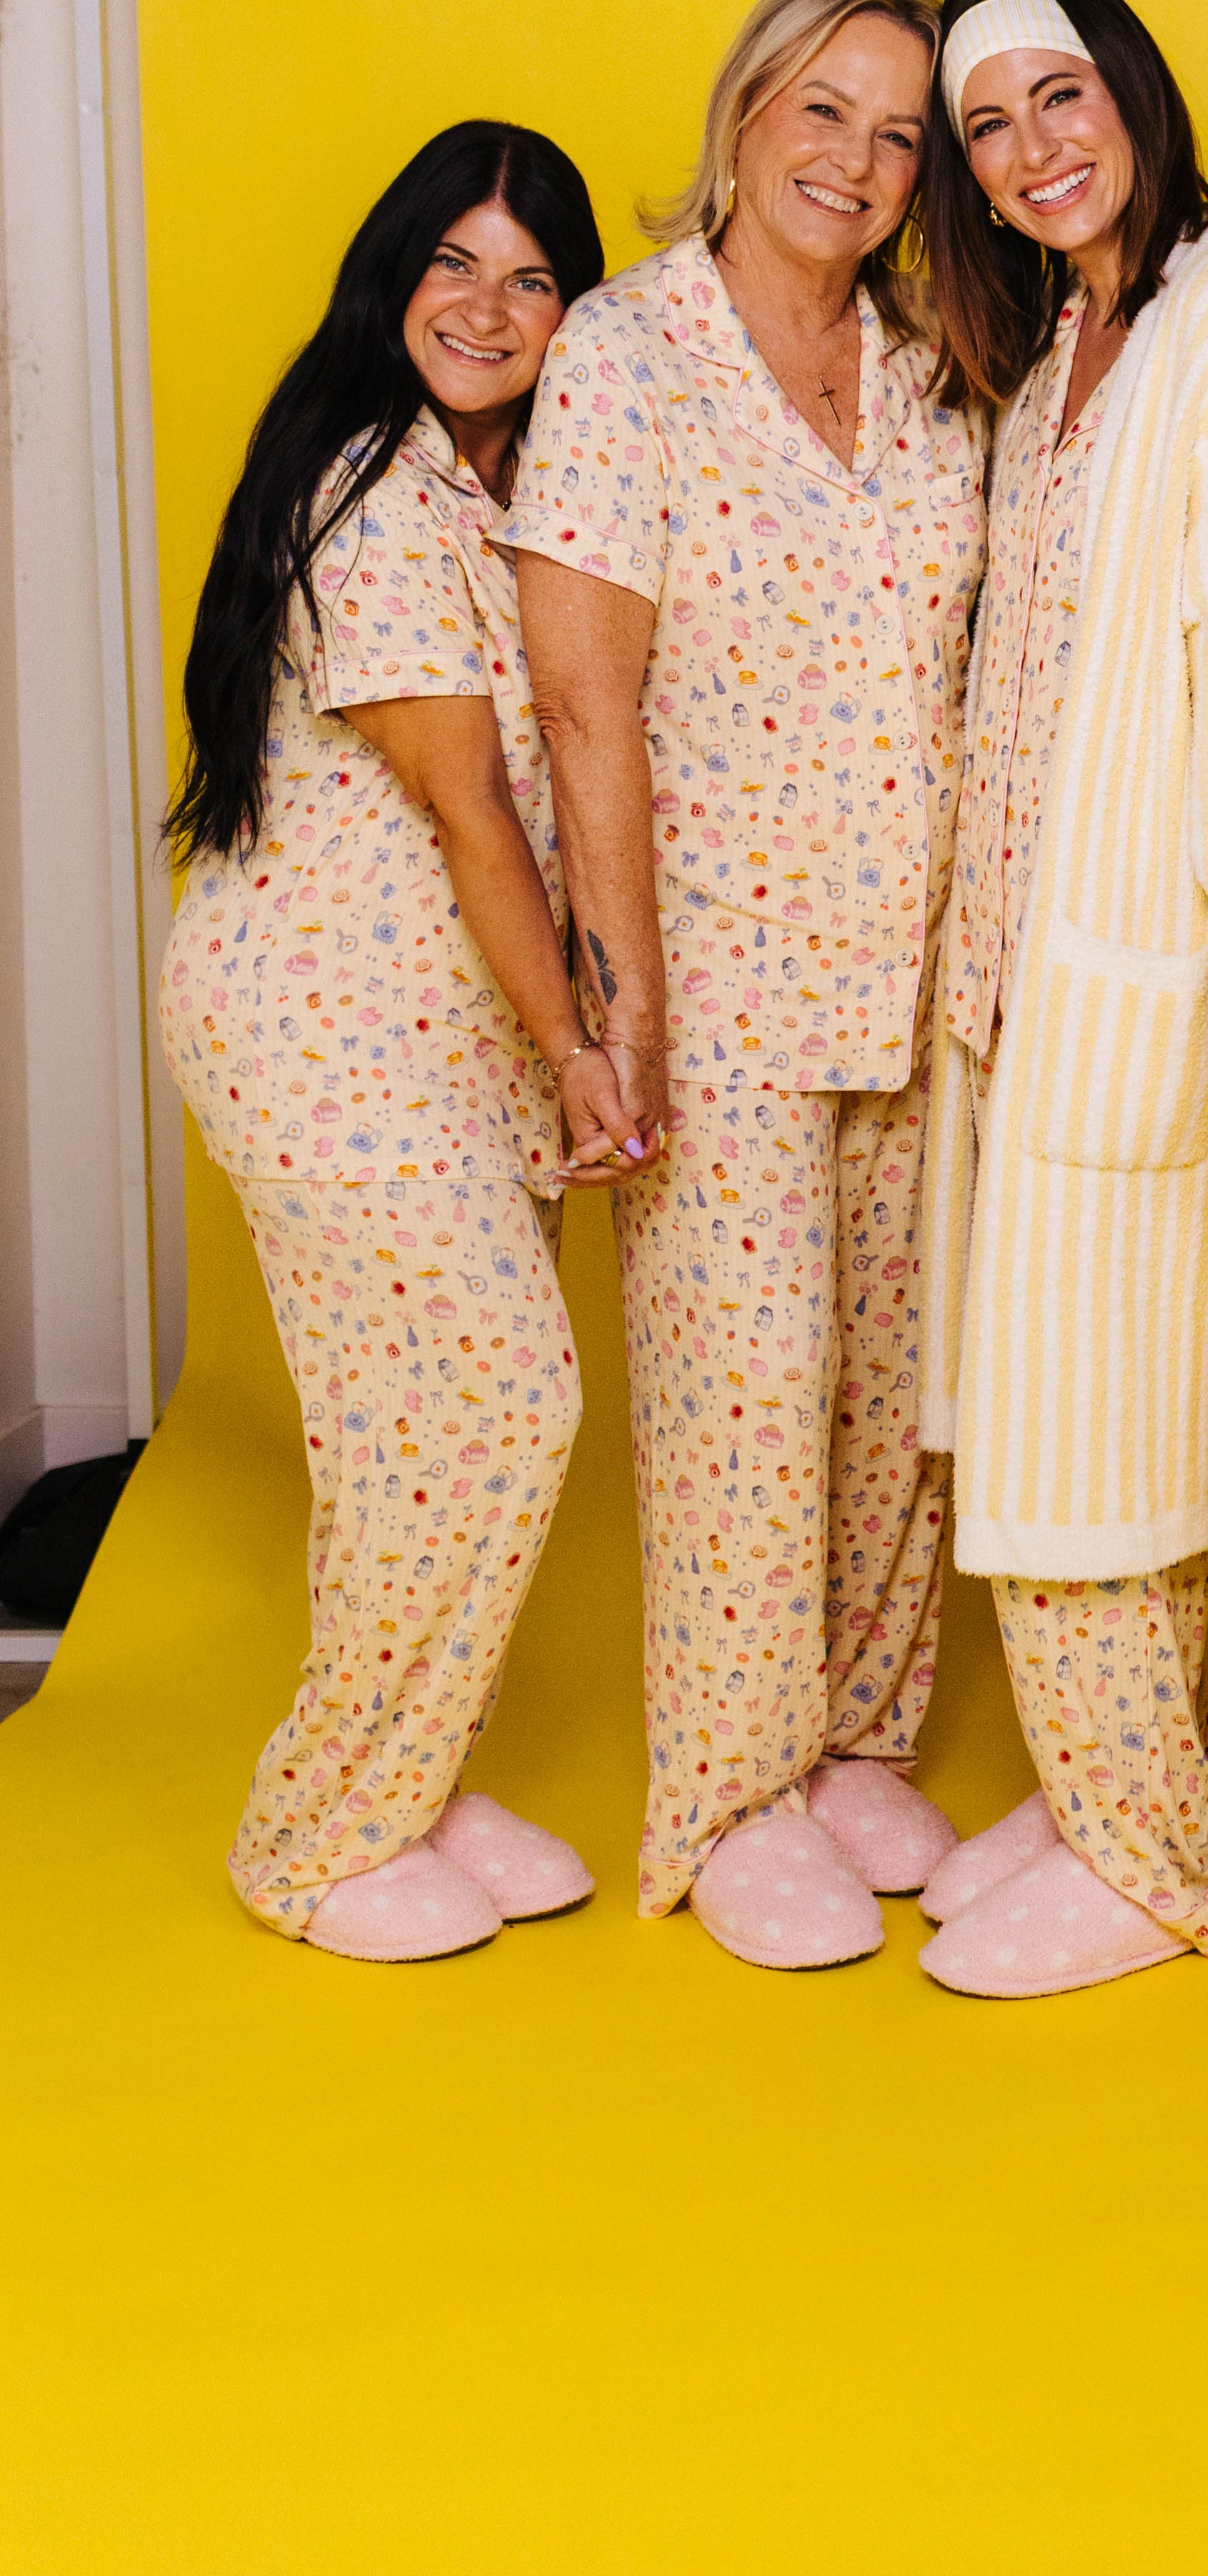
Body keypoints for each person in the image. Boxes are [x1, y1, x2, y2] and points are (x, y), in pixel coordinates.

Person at [507, 0, 985, 1972]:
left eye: (897, 133)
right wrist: (620, 1008)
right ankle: (726, 1792)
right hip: (720, 962)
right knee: (740, 1395)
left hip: (915, 957)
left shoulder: (930, 363)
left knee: (895, 1393)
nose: (856, 161)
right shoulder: (628, 355)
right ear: (746, 106)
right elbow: (584, 699)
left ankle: (860, 1730)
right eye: (824, 107)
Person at [906, 0, 1208, 2000]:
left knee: (1087, 1426)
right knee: (1058, 1407)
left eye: (1060, 97)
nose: (1030, 151)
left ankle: (1155, 1857)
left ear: (1135, 90)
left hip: (1145, 972)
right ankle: (1107, 1785)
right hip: (1020, 958)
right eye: (987, 128)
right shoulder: (1072, 334)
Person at [162, 120, 626, 1962]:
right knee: (504, 1406)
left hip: (436, 1032)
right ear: (394, 278)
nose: (492, 306)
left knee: (397, 1438)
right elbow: (470, 813)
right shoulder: (371, 490)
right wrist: (586, 1045)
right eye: (455, 263)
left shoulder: (516, 496)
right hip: (324, 1027)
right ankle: (318, 1833)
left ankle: (402, 1781)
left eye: (533, 275)